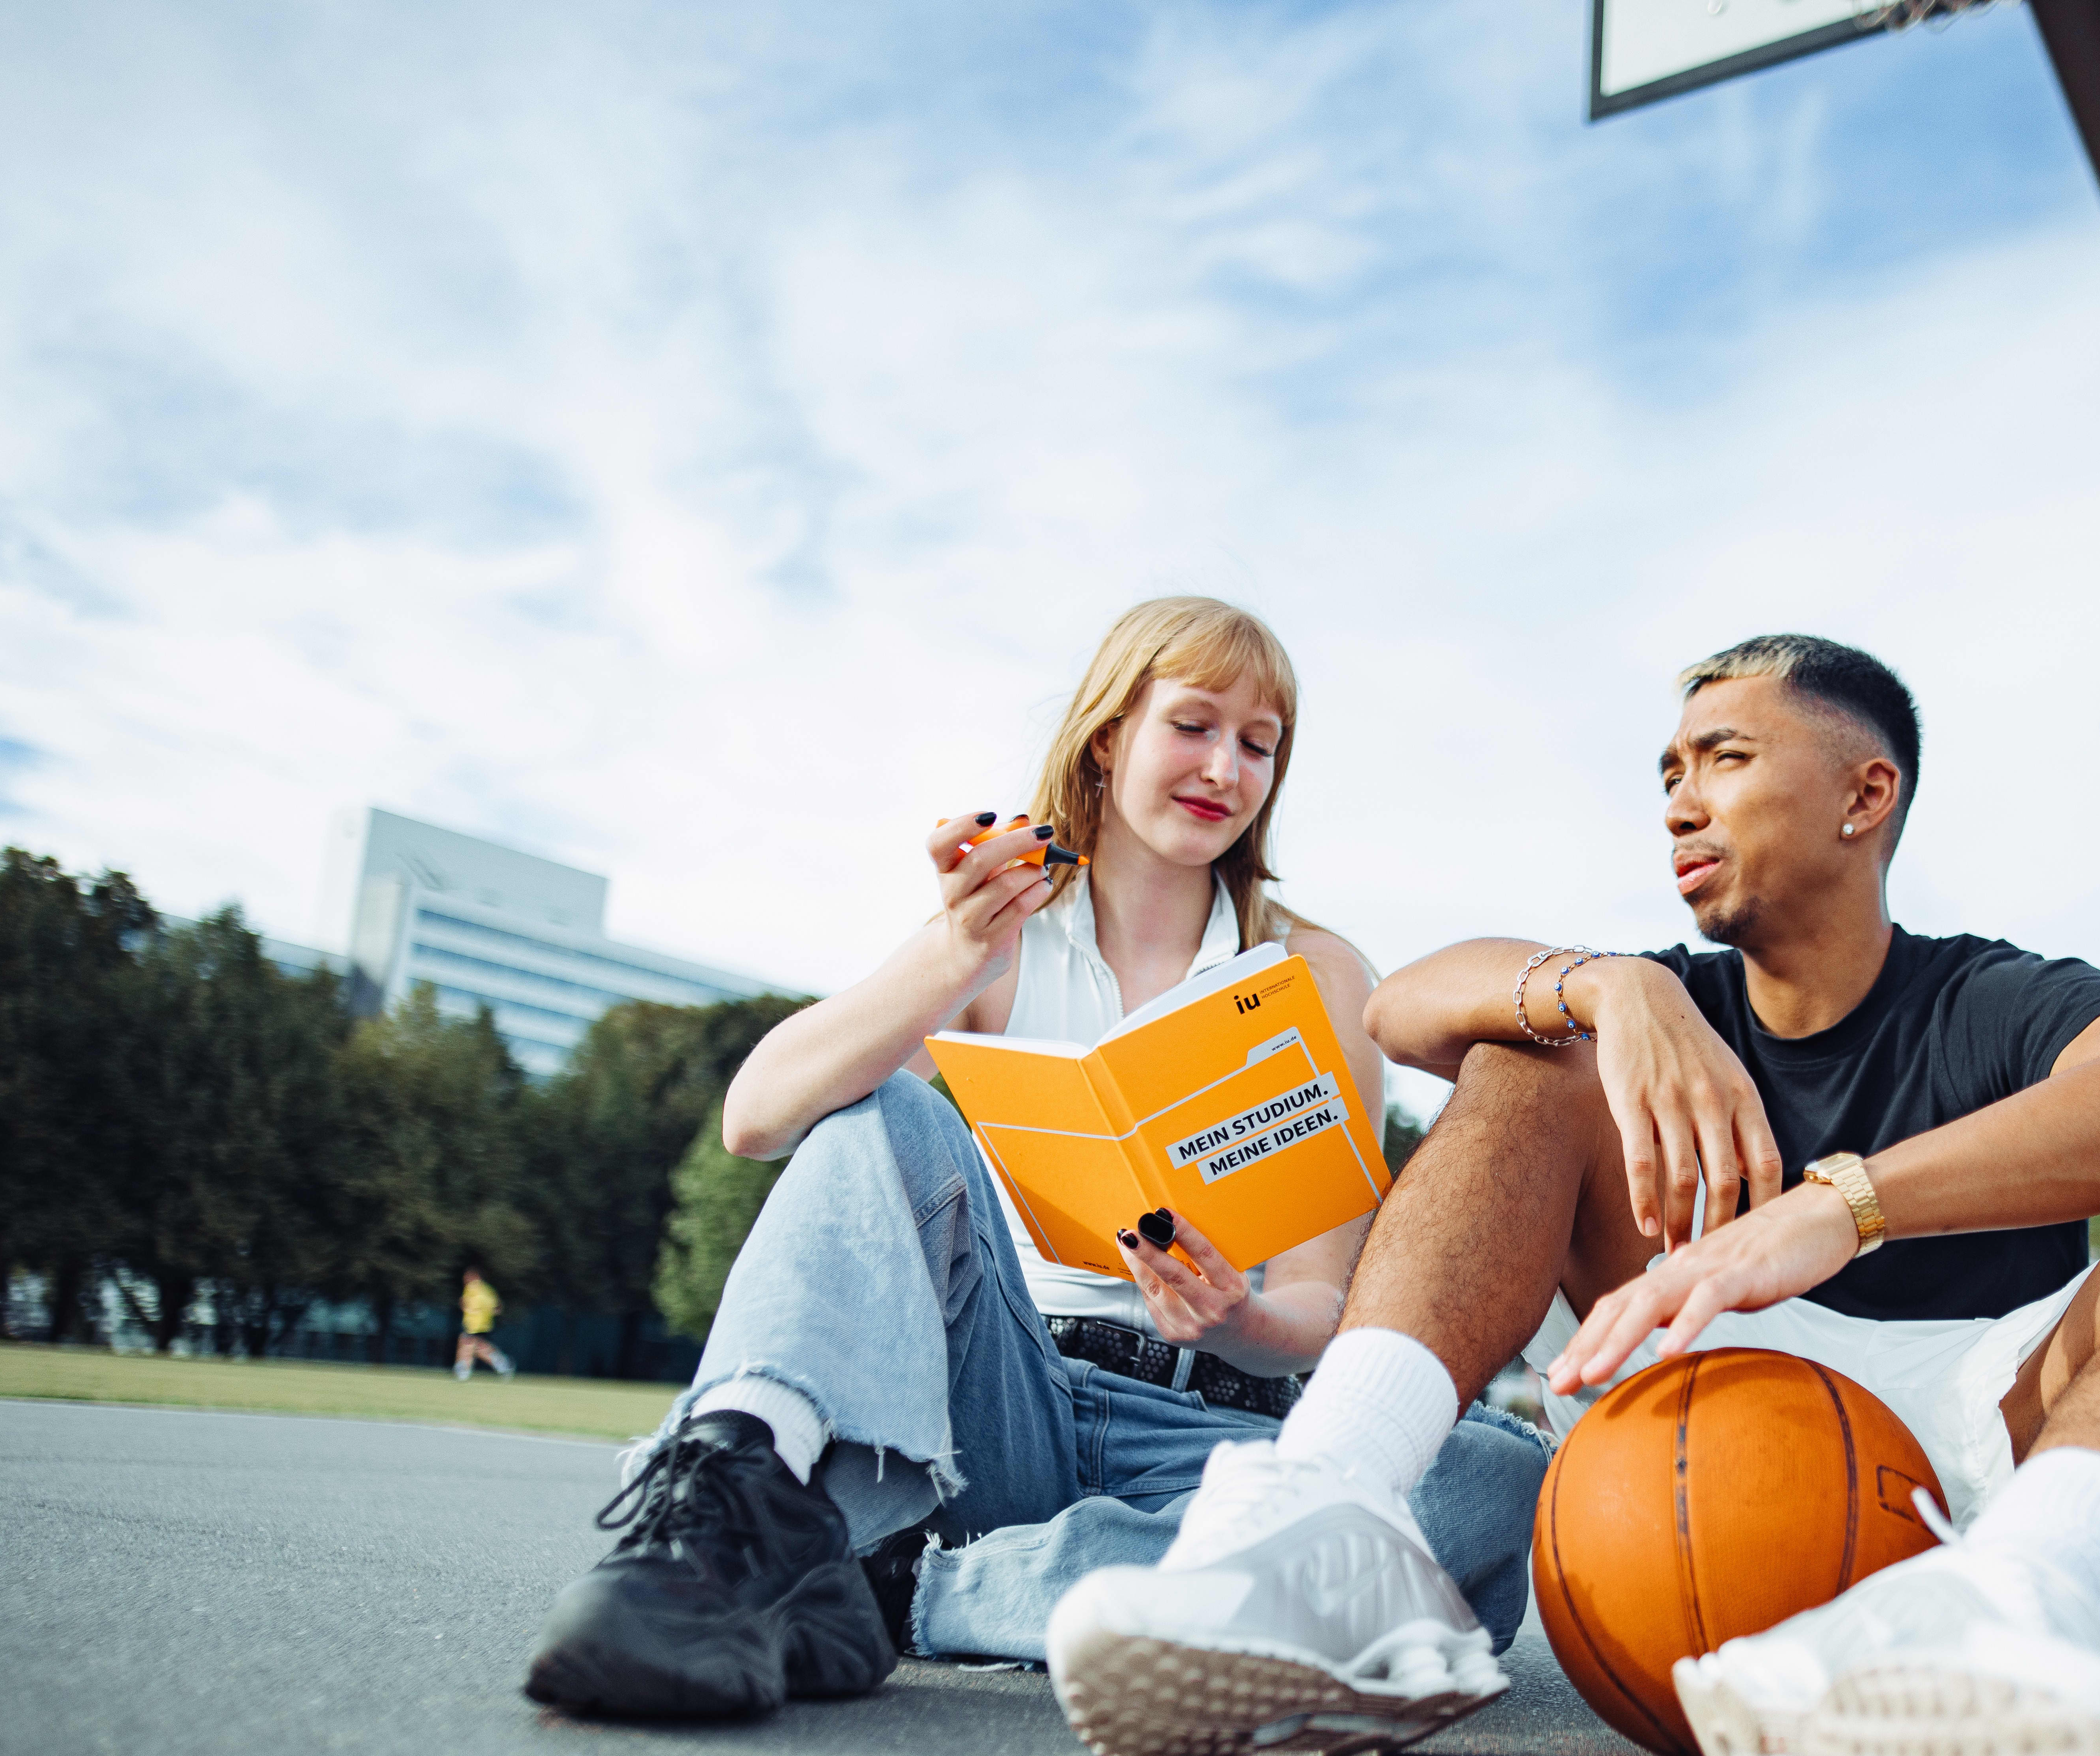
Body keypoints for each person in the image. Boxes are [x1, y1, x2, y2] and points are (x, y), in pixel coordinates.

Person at [1049, 634, 2100, 1756]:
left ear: (1863, 793)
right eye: (1667, 772)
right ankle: (1325, 1519)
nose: (1678, 802)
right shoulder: (1659, 1001)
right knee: (1532, 1050)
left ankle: (2018, 1602)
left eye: (1721, 759)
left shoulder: (1988, 996)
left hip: (1988, 1440)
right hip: (1699, 1403)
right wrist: (1613, 988)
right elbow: (1405, 1003)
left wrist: (1841, 1203)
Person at [522, 597, 1549, 1721]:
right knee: (883, 1115)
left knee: (1488, 1478)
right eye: (1195, 725)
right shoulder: (1001, 929)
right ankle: (727, 1502)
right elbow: (759, 1115)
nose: (1227, 767)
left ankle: (903, 1586)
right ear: (1108, 735)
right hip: (1004, 1400)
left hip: (1213, 1435)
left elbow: (1321, 1300)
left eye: (1259, 745)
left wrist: (1236, 1323)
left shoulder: (1317, 976)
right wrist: (958, 953)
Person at [453, 1268, 514, 1381]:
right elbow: (498, 1308)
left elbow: (464, 1303)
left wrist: (468, 1308)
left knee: (467, 1343)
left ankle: (463, 1371)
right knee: (478, 1347)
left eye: (467, 1277)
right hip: (486, 1324)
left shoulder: (472, 1288)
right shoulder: (489, 1290)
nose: (465, 1280)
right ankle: (503, 1364)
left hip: (474, 1324)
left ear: (476, 1277)